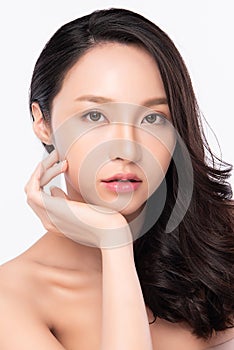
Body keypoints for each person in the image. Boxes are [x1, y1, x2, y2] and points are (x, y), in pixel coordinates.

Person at [0, 7, 233, 350]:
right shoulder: (14, 299)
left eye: (153, 118)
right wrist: (115, 245)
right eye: (95, 115)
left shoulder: (224, 235)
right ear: (43, 122)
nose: (128, 148)